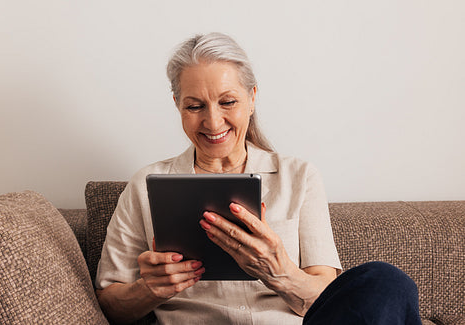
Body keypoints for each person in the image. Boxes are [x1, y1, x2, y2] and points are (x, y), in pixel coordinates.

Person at [95, 32, 422, 324]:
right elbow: (110, 304)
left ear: (252, 98)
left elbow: (327, 295)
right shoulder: (146, 185)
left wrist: (278, 272)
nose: (213, 121)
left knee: (387, 282)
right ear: (177, 105)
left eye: (228, 102)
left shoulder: (299, 176)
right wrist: (149, 290)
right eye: (195, 106)